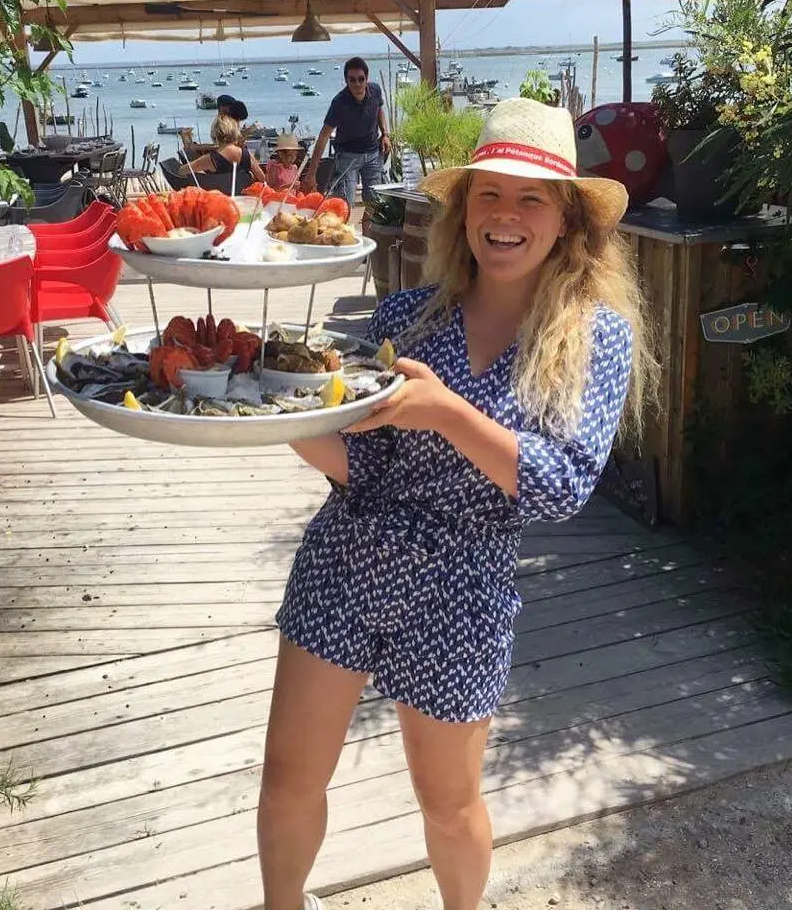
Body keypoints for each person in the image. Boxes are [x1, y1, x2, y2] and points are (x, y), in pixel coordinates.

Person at [259, 99, 657, 910]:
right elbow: (363, 465)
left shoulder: (594, 335)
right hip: (347, 555)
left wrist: (446, 413)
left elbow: (562, 485)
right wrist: (274, 411)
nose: (505, 215)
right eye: (489, 194)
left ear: (568, 218)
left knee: (448, 804)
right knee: (289, 778)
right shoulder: (406, 316)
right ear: (465, 210)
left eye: (531, 198)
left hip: (463, 586)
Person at [301, 57, 392, 211]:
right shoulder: (339, 102)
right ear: (346, 80)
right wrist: (311, 174)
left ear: (367, 78)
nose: (357, 84)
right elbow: (324, 136)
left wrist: (385, 134)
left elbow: (379, 110)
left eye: (361, 79)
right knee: (343, 206)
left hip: (372, 154)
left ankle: (368, 227)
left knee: (375, 205)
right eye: (352, 80)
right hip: (347, 157)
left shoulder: (375, 91)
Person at [180, 114, 265, 191]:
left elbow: (182, 171)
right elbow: (262, 179)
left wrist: (200, 171)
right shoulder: (246, 155)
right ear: (235, 132)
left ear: (216, 134)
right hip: (243, 198)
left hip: (219, 199)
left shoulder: (210, 159)